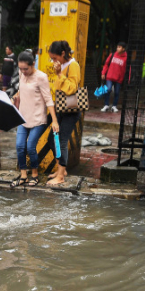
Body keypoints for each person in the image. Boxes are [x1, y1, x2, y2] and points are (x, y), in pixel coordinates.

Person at [10, 51, 59, 187]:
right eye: (21, 69)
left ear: (33, 64)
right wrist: (16, 97)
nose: (23, 71)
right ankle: (24, 175)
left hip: (38, 119)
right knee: (20, 146)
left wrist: (54, 120)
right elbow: (22, 90)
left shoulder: (41, 77)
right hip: (23, 117)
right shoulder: (21, 74)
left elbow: (49, 99)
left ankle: (35, 175)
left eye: (26, 68)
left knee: (31, 146)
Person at [47, 40, 81, 186]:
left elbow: (72, 88)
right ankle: (61, 169)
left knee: (61, 140)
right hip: (60, 107)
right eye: (52, 59)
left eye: (55, 58)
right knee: (51, 139)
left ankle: (60, 176)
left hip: (71, 110)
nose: (54, 61)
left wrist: (59, 73)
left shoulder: (73, 65)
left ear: (62, 53)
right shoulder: (62, 65)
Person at [100, 42, 128, 113]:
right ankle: (106, 105)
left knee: (117, 92)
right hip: (109, 76)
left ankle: (114, 106)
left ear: (123, 49)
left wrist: (127, 78)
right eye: (117, 47)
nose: (117, 48)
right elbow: (106, 64)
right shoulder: (112, 55)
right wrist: (103, 73)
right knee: (108, 89)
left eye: (119, 47)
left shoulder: (126, 58)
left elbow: (127, 69)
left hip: (118, 78)